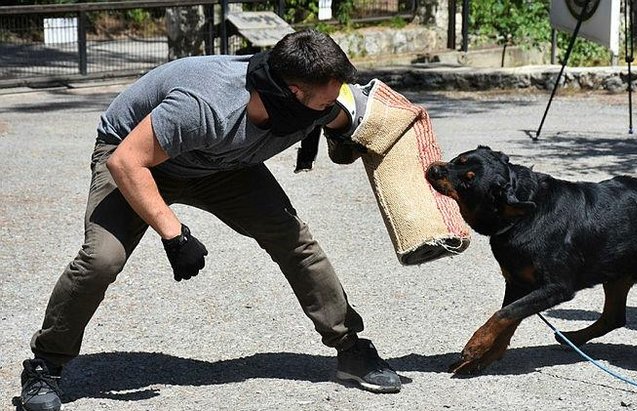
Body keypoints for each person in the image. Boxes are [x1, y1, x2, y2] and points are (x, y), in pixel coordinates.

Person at [16, 29, 401, 411]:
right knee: (102, 258)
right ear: (295, 92)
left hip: (221, 164)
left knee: (292, 239)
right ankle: (45, 364)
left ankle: (350, 346)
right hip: (138, 157)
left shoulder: (311, 104)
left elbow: (354, 120)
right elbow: (126, 162)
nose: (333, 105)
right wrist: (174, 235)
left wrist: (356, 137)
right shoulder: (208, 105)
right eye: (327, 100)